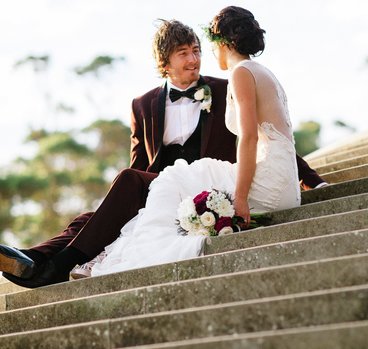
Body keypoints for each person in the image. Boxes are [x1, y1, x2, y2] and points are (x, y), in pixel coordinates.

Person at [0, 16, 325, 288]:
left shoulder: (227, 85)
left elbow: (261, 137)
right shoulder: (142, 105)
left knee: (124, 185)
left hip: (204, 182)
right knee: (99, 211)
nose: (194, 59)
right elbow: (139, 164)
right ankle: (32, 258)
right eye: (183, 53)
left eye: (197, 50)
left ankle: (55, 267)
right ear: (164, 62)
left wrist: (311, 179)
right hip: (162, 180)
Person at [90, 6, 308, 275]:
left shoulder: (241, 74)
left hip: (269, 187)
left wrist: (240, 197)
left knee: (173, 179)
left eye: (203, 48)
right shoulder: (262, 72)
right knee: (180, 179)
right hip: (283, 186)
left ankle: (128, 260)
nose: (202, 56)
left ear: (223, 44)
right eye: (185, 52)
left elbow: (249, 137)